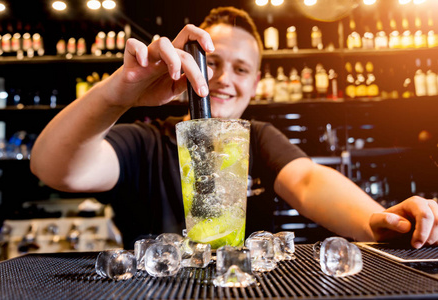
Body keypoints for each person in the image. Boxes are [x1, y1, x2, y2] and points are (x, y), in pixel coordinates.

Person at [30, 7, 438, 250]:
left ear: (256, 83)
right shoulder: (147, 140)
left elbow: (310, 181)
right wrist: (119, 94)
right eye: (214, 63)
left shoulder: (256, 137)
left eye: (241, 69)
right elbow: (52, 168)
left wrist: (378, 220)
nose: (225, 78)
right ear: (191, 67)